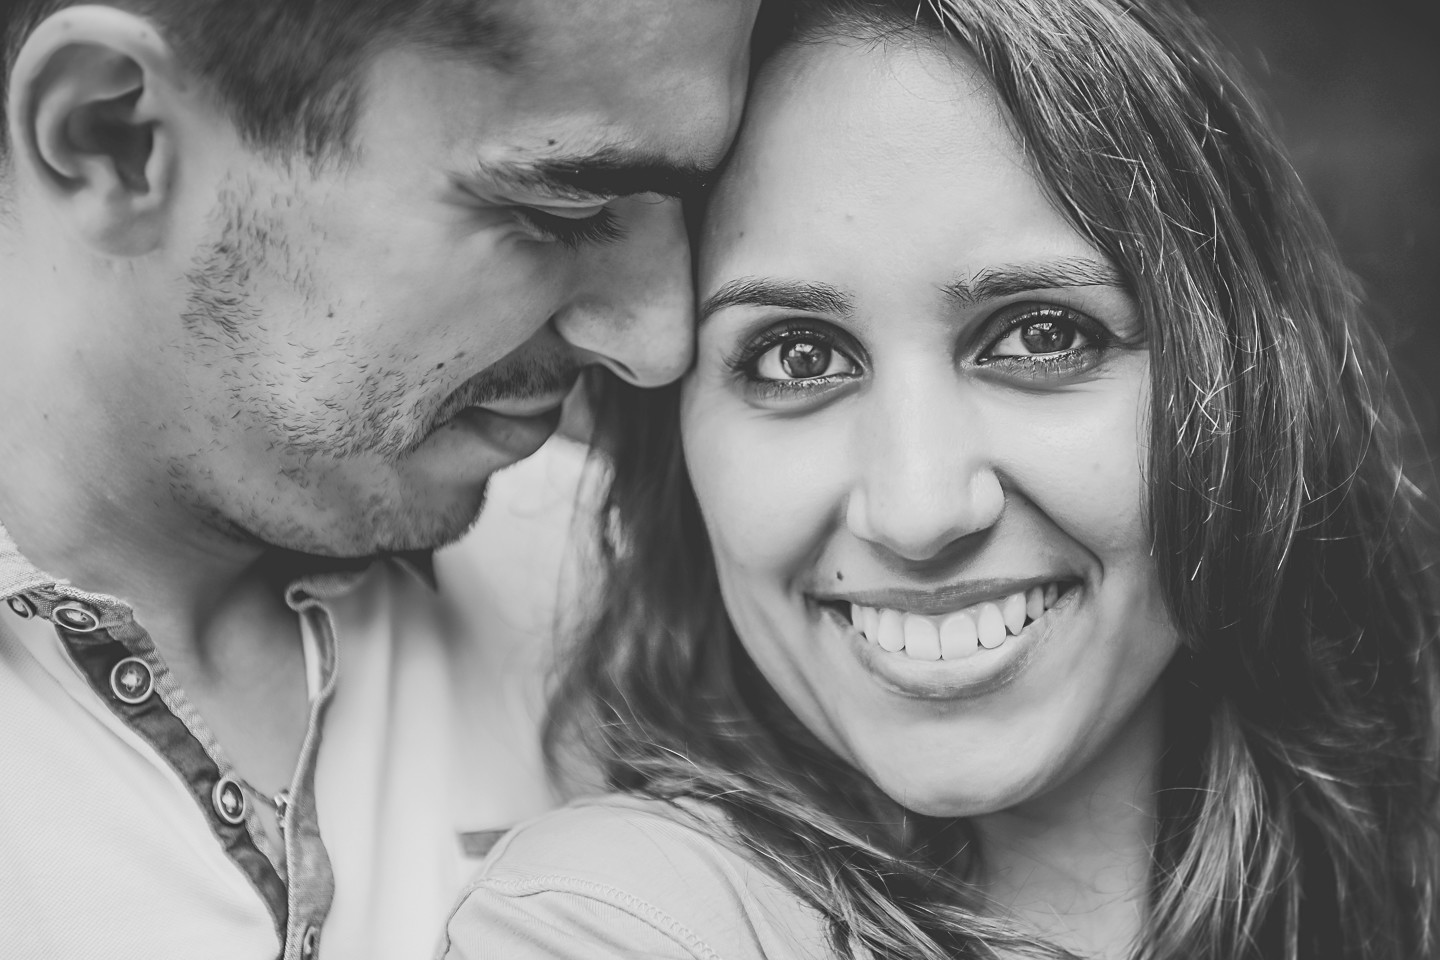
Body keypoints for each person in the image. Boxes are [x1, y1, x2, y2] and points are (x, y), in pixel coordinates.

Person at [437, 0, 1440, 958]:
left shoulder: (1401, 864)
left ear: (1247, 385)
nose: (918, 512)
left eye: (1041, 335)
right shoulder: (618, 924)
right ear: (677, 447)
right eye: (797, 356)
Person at [0, 1, 759, 958]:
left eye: (688, 201)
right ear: (115, 138)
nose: (662, 343)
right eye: (557, 208)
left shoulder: (623, 595)